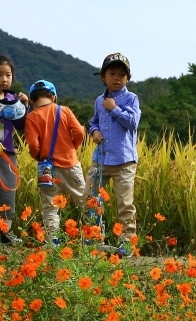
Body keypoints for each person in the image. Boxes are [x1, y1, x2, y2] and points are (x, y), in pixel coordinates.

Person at [23, 81, 88, 243]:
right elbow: (80, 132)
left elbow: (33, 144)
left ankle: (53, 242)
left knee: (50, 206)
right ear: (54, 97)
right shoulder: (64, 110)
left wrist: (38, 156)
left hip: (47, 168)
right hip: (71, 164)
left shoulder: (31, 117)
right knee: (84, 200)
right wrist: (72, 147)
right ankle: (94, 237)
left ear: (32, 100)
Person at [88, 53, 141, 245]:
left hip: (124, 162)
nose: (117, 78)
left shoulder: (131, 98)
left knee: (125, 203)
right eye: (112, 74)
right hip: (101, 159)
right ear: (103, 77)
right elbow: (93, 122)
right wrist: (94, 131)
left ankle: (128, 242)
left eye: (121, 75)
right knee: (91, 199)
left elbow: (133, 123)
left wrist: (114, 108)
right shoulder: (99, 100)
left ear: (128, 78)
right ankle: (94, 239)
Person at [0, 55, 27, 245]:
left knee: (8, 191)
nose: (4, 79)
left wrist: (24, 106)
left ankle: (5, 231)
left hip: (7, 152)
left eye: (8, 75)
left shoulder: (13, 99)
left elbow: (21, 125)